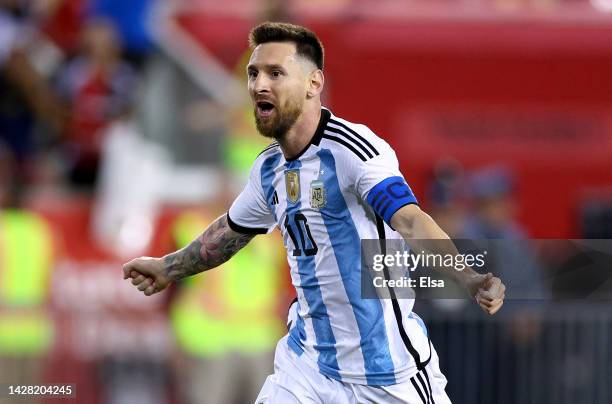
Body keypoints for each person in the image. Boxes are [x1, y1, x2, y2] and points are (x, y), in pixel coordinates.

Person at [123, 22, 506, 404]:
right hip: (307, 367)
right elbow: (230, 232)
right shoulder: (268, 170)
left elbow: (409, 219)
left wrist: (467, 277)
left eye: (276, 73)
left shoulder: (353, 151)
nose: (259, 85)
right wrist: (167, 267)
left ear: (313, 83)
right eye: (253, 73)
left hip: (387, 372)